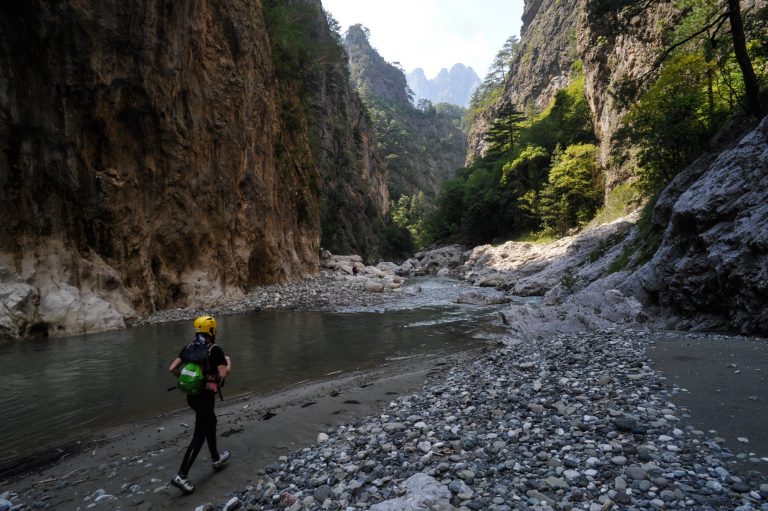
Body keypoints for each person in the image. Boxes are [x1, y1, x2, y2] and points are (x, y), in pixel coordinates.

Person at [168, 315, 232, 494]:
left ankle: (216, 459)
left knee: (211, 422)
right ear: (211, 330)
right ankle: (182, 475)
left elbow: (172, 368)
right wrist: (228, 363)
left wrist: (187, 380)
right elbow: (223, 374)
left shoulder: (189, 347)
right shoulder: (215, 349)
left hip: (192, 396)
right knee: (199, 435)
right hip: (206, 397)